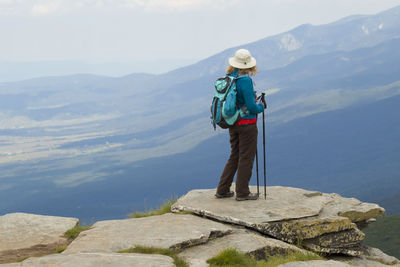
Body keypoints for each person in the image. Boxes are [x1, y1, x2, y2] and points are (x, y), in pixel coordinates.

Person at [215, 48, 266, 201]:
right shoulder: (245, 80)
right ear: (248, 65)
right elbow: (251, 107)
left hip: (233, 123)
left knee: (235, 155)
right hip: (247, 125)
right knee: (246, 157)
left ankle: (223, 189)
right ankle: (242, 192)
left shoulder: (230, 78)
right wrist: (261, 106)